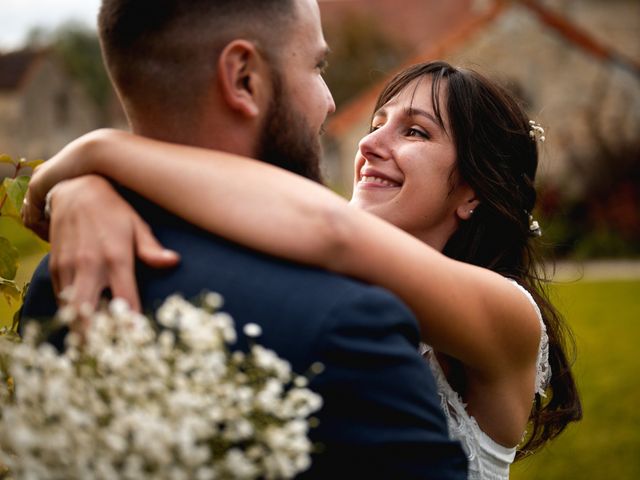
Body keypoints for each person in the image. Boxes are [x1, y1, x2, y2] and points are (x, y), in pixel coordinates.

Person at [23, 59, 582, 478]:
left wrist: (100, 151)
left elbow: (329, 231)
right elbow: (238, 203)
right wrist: (89, 192)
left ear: (472, 191)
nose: (369, 143)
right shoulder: (312, 241)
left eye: (415, 132)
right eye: (377, 122)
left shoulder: (509, 317)